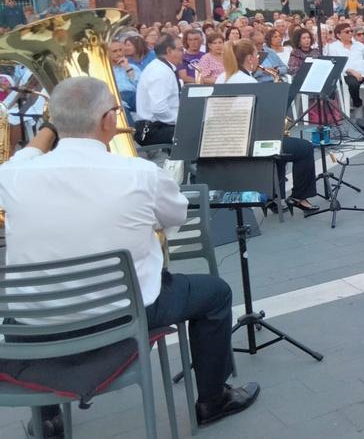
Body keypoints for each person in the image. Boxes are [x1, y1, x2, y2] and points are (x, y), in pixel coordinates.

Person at [0, 78, 260, 438]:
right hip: (123, 314)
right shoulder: (140, 173)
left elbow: (27, 154)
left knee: (34, 297)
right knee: (215, 293)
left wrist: (50, 127)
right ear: (109, 120)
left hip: (34, 324)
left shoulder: (12, 175)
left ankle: (47, 419)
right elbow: (175, 218)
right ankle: (213, 400)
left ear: (55, 123)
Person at [216, 39, 318, 212]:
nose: (258, 59)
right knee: (305, 148)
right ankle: (299, 196)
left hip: (231, 139)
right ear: (249, 58)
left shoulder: (222, 77)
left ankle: (273, 197)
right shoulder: (247, 82)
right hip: (250, 143)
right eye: (256, 55)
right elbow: (262, 117)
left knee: (282, 144)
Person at [133, 35, 182, 145]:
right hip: (152, 129)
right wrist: (180, 121)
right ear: (169, 51)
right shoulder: (161, 72)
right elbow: (159, 109)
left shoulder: (159, 67)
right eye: (180, 49)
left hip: (158, 125)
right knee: (196, 135)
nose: (182, 53)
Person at [327, 23, 364, 108]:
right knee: (353, 84)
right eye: (346, 32)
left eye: (351, 31)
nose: (350, 33)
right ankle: (357, 103)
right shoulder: (333, 47)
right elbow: (336, 64)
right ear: (339, 35)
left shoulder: (359, 45)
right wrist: (351, 71)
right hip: (346, 74)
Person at [109, 40, 140, 112]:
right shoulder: (106, 71)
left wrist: (127, 68)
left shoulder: (132, 67)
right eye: (115, 51)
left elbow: (141, 86)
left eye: (120, 50)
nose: (119, 53)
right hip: (117, 96)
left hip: (134, 95)